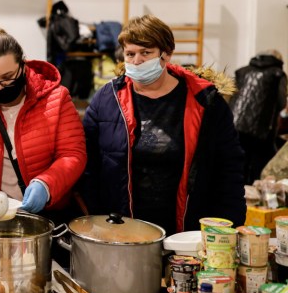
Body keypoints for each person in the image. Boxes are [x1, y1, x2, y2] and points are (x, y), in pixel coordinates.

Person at [81, 15, 246, 234]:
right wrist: (96, 219)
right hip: (122, 232)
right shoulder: (106, 99)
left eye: (146, 53)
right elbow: (87, 165)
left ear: (166, 54)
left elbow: (229, 167)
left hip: (186, 231)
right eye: (130, 54)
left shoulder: (205, 101)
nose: (137, 61)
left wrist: (229, 225)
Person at [0, 29, 87, 221]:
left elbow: (72, 154)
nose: (0, 87)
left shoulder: (57, 99)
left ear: (22, 65)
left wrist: (46, 184)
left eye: (8, 77)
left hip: (45, 216)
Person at [230, 50, 287, 183]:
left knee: (237, 163)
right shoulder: (278, 74)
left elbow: (232, 96)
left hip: (233, 122)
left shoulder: (242, 71)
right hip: (260, 128)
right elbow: (282, 102)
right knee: (260, 164)